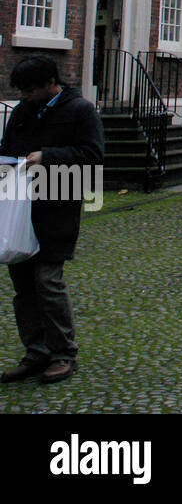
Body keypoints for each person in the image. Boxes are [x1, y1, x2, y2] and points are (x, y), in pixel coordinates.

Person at [1, 56, 105, 386]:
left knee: (47, 282)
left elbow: (93, 156)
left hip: (56, 207)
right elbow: (7, 151)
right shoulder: (21, 112)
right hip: (18, 211)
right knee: (23, 287)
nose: (25, 96)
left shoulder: (80, 111)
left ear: (50, 83)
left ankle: (63, 354)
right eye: (21, 91)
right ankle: (36, 352)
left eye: (30, 90)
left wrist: (48, 158)